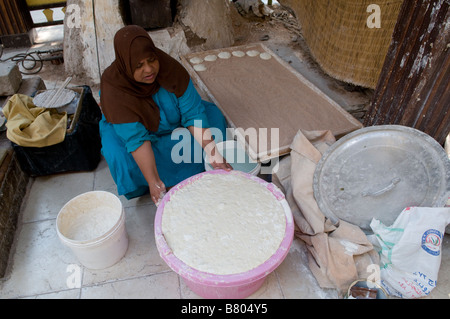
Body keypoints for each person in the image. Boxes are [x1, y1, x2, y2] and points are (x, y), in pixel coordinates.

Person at [99, 25, 232, 204]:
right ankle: (154, 183)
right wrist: (154, 182)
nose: (149, 70)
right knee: (117, 153)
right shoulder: (115, 90)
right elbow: (136, 139)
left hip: (172, 125)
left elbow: (192, 113)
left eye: (151, 60)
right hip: (137, 137)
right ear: (127, 65)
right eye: (139, 66)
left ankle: (202, 168)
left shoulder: (171, 70)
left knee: (214, 120)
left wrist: (213, 153)